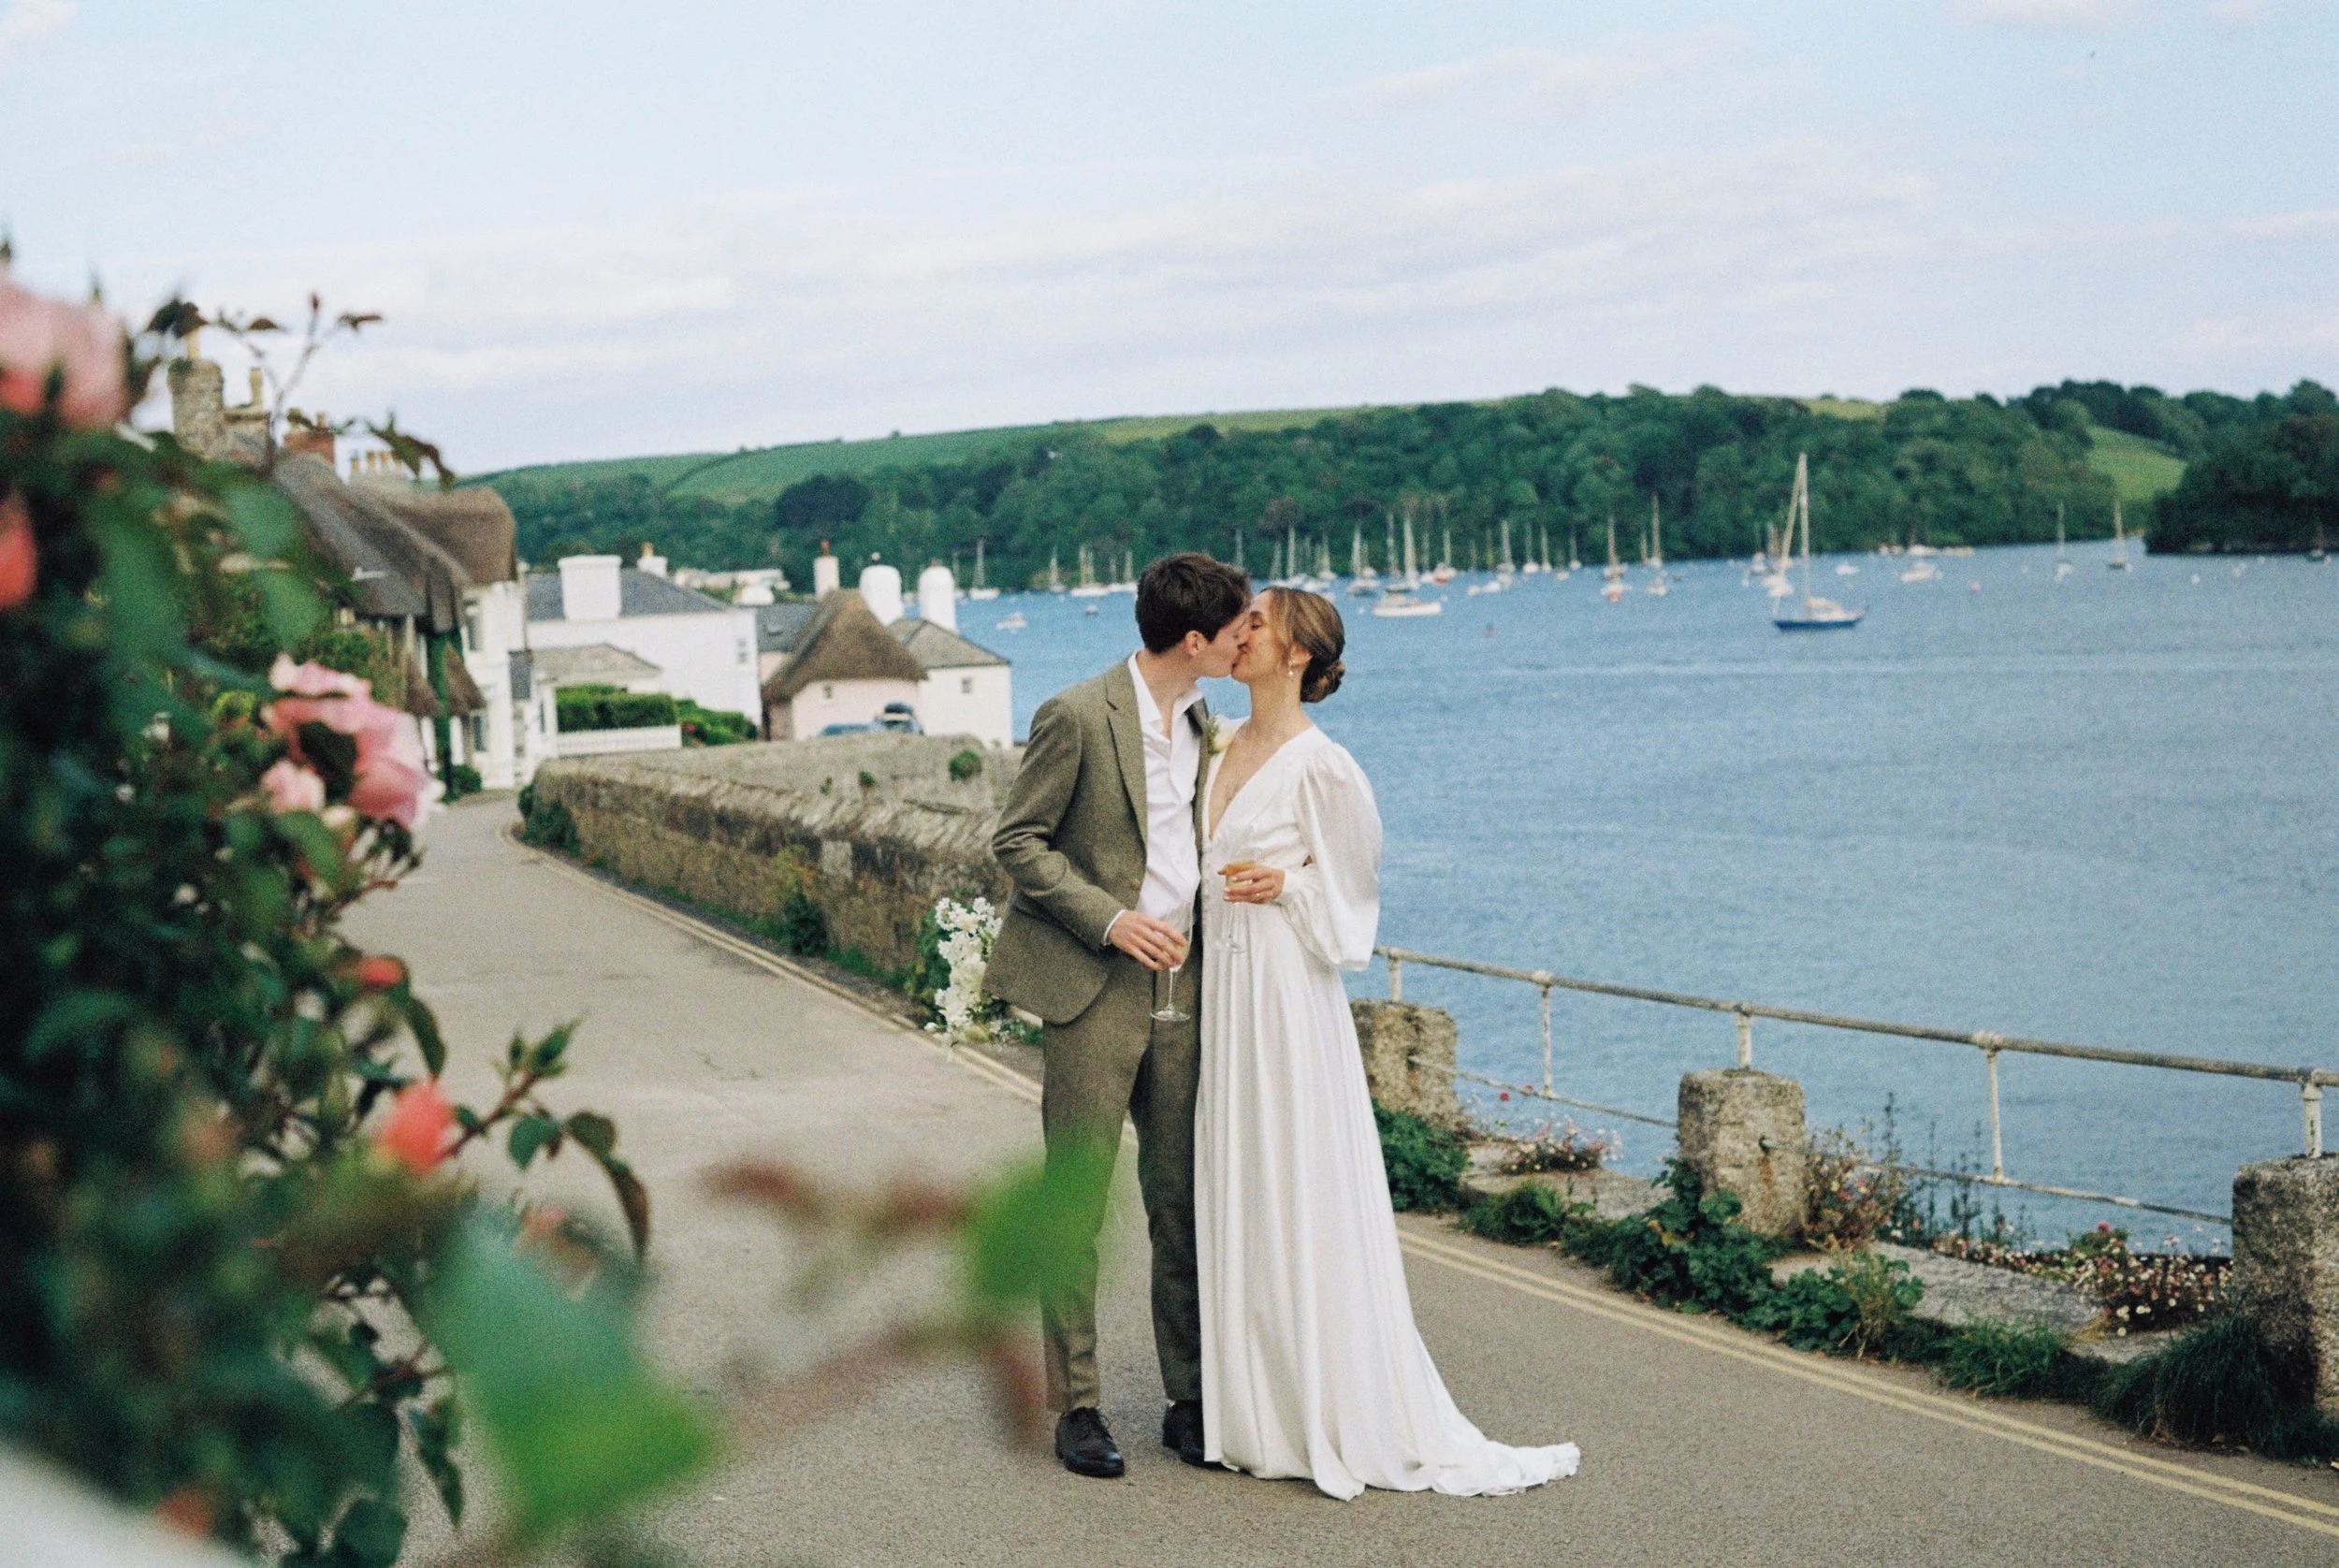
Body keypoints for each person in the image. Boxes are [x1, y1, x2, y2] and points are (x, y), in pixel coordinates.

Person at [1196, 587, 1580, 1500]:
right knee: (1242, 1180)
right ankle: (1260, 1409)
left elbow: (1353, 907)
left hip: (1287, 998)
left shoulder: (1324, 767)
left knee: (1298, 1181)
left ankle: (1334, 1406)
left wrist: (1287, 885)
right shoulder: (1217, 747)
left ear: (1295, 653)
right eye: (1241, 620)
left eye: (1257, 622)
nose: (1239, 632)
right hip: (1225, 997)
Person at [988, 551, 1254, 1480]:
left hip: (1185, 987)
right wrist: (1108, 919)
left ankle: (1188, 1398)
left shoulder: (1205, 718)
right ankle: (1080, 1404)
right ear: (1195, 639)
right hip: (1094, 986)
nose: (1246, 639)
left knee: (1180, 1196)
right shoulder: (1074, 714)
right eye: (1236, 630)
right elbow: (1015, 838)